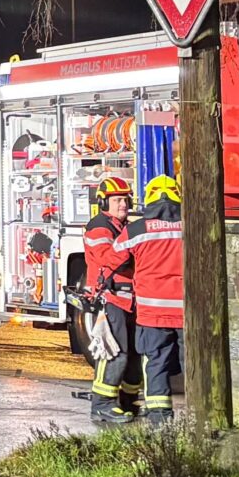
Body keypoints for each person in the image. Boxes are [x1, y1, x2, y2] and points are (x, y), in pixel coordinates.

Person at [79, 175, 140, 423]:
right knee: (115, 351)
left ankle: (128, 401)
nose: (123, 204)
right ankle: (102, 404)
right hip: (111, 297)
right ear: (104, 202)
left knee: (135, 352)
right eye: (117, 200)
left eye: (125, 199)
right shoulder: (99, 227)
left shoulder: (123, 226)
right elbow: (108, 257)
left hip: (130, 298)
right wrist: (133, 244)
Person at [126, 174, 184, 422]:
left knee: (156, 361)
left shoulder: (137, 228)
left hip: (152, 312)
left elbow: (112, 258)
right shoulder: (191, 223)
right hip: (185, 310)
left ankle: (159, 416)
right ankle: (203, 417)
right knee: (193, 364)